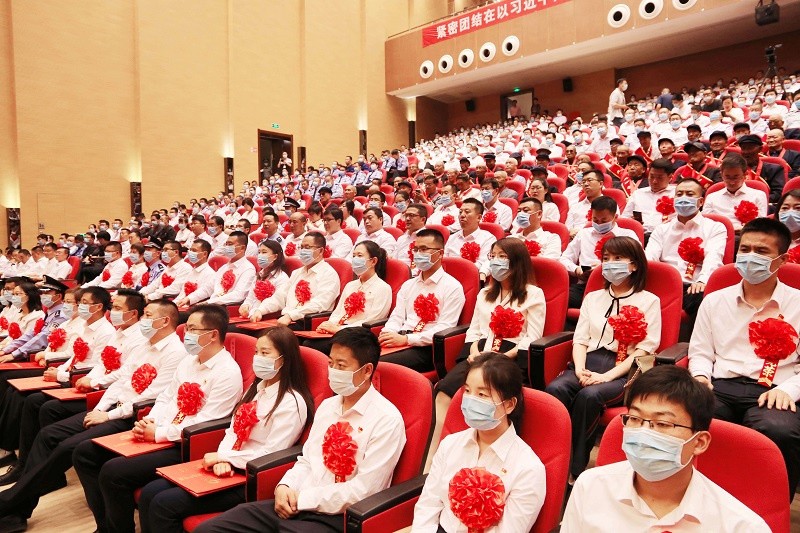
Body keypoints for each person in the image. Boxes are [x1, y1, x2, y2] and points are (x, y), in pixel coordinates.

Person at [195, 327, 406, 533]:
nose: (333, 371)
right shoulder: (328, 406)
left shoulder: (386, 419)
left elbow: (364, 490)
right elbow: (307, 460)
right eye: (331, 363)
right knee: (210, 528)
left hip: (336, 517)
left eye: (341, 365)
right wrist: (284, 486)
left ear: (367, 370)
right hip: (296, 502)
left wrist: (302, 499)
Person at [74, 304, 243, 533]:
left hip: (184, 445)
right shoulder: (189, 361)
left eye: (193, 329)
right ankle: (106, 527)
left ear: (213, 335)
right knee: (86, 452)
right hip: (160, 430)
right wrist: (150, 421)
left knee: (113, 472)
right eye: (187, 328)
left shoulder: (227, 372)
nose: (186, 334)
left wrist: (159, 434)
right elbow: (166, 397)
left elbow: (205, 422)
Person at [138, 326, 314, 533]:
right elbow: (232, 431)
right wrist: (222, 458)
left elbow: (272, 453)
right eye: (256, 352)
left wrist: (226, 459)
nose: (257, 358)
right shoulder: (256, 390)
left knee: (164, 504)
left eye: (265, 353)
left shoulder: (291, 402)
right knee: (150, 492)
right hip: (224, 465)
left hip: (249, 478)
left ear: (284, 359)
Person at [561, 365, 770, 532]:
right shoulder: (590, 487)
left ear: (699, 442)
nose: (643, 432)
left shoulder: (740, 526)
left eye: (662, 424)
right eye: (635, 418)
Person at [688, 218, 800, 499]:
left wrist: (789, 390)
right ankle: (698, 499)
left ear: (782, 260)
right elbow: (700, 351)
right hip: (721, 386)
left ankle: (770, 506)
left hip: (775, 390)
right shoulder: (715, 300)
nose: (750, 257)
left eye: (761, 251)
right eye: (745, 249)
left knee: (778, 430)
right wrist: (700, 377)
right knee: (689, 418)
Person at [548, 236, 661, 478]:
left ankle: (575, 468)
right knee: (556, 389)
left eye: (618, 258)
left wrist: (606, 377)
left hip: (623, 370)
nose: (610, 264)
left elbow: (644, 351)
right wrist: (579, 369)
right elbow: (580, 339)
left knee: (589, 396)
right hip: (587, 361)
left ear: (634, 265)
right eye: (606, 259)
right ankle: (553, 457)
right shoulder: (592, 298)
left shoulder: (649, 301)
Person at [413, 353, 546, 532]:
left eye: (482, 394)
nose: (470, 400)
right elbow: (428, 506)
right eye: (467, 391)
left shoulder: (528, 468)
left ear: (509, 405)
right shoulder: (450, 444)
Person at [435, 238, 545, 411]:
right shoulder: (485, 293)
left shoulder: (533, 294)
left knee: (485, 394)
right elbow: (474, 329)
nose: (495, 261)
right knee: (444, 390)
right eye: (492, 256)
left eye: (502, 256)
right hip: (480, 352)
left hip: (510, 356)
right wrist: (474, 352)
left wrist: (504, 356)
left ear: (517, 261)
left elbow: (532, 336)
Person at [379, 229, 465, 372]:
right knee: (358, 354)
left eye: (424, 249)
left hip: (426, 348)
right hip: (400, 338)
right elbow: (396, 317)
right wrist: (388, 334)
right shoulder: (408, 285)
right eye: (416, 249)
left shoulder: (452, 287)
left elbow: (444, 328)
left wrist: (407, 340)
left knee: (377, 363)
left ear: (440, 253)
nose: (418, 254)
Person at [645, 178, 727, 324]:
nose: (683, 198)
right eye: (679, 194)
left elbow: (714, 258)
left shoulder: (715, 228)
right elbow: (650, 258)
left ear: (701, 202)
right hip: (666, 284)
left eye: (689, 194)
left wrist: (702, 280)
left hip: (693, 286)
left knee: (705, 299)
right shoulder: (662, 229)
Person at [305, 241, 391, 354]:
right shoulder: (350, 285)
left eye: (360, 256)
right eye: (354, 256)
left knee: (311, 346)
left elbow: (372, 321)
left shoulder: (383, 288)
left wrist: (340, 330)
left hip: (358, 336)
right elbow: (338, 312)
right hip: (339, 330)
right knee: (307, 342)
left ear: (373, 261)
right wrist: (328, 325)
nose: (355, 259)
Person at [560, 196, 640, 309]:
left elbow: (639, 261)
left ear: (615, 217)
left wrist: (605, 267)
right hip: (585, 285)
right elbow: (564, 259)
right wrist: (576, 270)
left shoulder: (628, 235)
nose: (599, 223)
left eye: (604, 221)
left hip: (619, 285)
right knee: (560, 301)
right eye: (595, 220)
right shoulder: (583, 234)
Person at [276, 232, 340, 327]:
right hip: (285, 319)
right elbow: (280, 295)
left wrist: (291, 316)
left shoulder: (329, 274)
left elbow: (319, 304)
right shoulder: (297, 272)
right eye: (301, 247)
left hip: (306, 322)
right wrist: (260, 310)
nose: (303, 251)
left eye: (307, 247)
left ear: (321, 250)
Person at [703, 154, 768, 231]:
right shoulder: (712, 197)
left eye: (736, 177)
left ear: (745, 175)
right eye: (727, 177)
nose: (732, 182)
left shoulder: (758, 195)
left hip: (747, 234)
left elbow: (760, 225)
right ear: (722, 175)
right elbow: (706, 223)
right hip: (719, 234)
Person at [238, 240, 290, 323]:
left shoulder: (282, 278)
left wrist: (260, 311)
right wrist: (246, 305)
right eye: (259, 252)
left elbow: (277, 301)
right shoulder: (259, 275)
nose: (260, 255)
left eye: (264, 252)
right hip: (250, 316)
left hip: (265, 318)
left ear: (275, 256)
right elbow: (250, 297)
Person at [444, 198, 496, 272]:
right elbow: (444, 260)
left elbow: (483, 264)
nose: (462, 215)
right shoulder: (452, 237)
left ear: (479, 217)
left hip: (471, 276)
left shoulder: (488, 239)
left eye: (467, 212)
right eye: (460, 212)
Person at [207, 231, 258, 305]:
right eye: (226, 244)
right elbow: (208, 287)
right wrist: (190, 299)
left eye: (230, 244)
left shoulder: (248, 269)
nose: (227, 247)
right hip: (212, 304)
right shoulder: (224, 267)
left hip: (225, 307)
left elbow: (238, 295)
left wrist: (209, 302)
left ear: (242, 248)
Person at [0, 280, 45, 351]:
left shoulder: (37, 315)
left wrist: (4, 350)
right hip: (9, 347)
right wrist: (2, 345)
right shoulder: (18, 313)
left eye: (17, 294)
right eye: (13, 294)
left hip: (20, 350)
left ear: (29, 296)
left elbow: (25, 340)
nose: (14, 297)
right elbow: (10, 337)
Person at [173, 239, 216, 308]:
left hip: (196, 308)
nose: (190, 253)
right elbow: (182, 294)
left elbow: (204, 293)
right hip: (182, 305)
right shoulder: (191, 271)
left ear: (204, 254)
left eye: (194, 250)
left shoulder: (210, 274)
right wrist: (173, 304)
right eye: (190, 250)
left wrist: (187, 299)